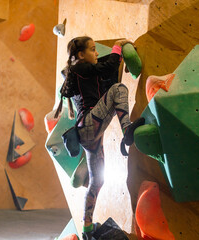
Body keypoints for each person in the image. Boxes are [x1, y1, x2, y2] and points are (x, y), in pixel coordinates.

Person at [61, 36, 145, 240]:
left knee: (98, 181)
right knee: (118, 90)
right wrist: (119, 46)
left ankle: (87, 228)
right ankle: (127, 131)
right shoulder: (79, 68)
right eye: (92, 49)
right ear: (81, 55)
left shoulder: (82, 71)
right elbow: (107, 67)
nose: (96, 52)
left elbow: (104, 68)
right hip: (89, 125)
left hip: (89, 135)